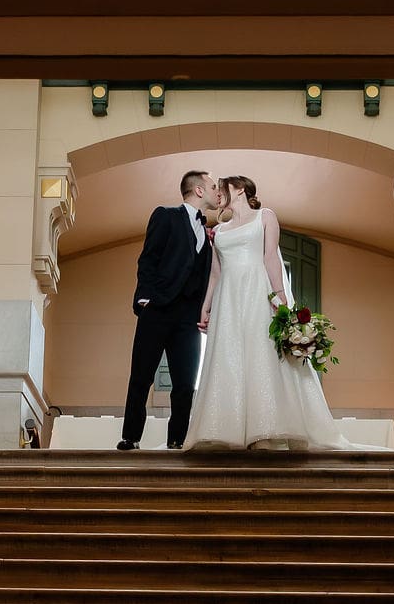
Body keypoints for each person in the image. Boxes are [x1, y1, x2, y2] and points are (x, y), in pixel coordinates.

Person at [185, 174, 354, 451]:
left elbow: (271, 257)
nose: (217, 195)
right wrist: (206, 306)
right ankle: (225, 429)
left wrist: (282, 298)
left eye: (222, 189)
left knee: (259, 354)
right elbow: (215, 273)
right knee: (228, 357)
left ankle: (263, 430)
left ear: (239, 190)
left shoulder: (265, 216)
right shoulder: (220, 229)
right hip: (228, 299)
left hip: (256, 293)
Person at [118, 169, 224, 450]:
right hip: (158, 309)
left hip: (188, 318)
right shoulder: (166, 215)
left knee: (186, 383)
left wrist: (204, 310)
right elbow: (148, 259)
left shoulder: (208, 231)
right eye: (213, 186)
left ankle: (177, 440)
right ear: (199, 190)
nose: (217, 191)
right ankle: (130, 437)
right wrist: (144, 299)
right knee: (142, 376)